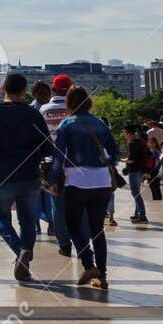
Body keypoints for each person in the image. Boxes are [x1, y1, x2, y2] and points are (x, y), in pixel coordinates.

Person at [0, 73, 50, 282]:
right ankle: (25, 251)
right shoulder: (34, 115)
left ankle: (20, 251)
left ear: (3, 90)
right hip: (29, 175)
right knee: (28, 220)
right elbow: (46, 146)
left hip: (2, 175)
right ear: (24, 90)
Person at [50, 86, 118, 288]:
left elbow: (58, 156)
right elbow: (114, 153)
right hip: (102, 180)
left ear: (69, 103)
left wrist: (53, 179)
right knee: (97, 229)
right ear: (88, 102)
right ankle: (102, 276)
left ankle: (88, 263)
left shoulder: (67, 125)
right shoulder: (100, 124)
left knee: (72, 224)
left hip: (77, 180)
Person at [40, 76, 74, 257]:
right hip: (75, 162)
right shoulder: (74, 109)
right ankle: (81, 242)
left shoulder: (43, 110)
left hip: (52, 161)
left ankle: (64, 243)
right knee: (78, 205)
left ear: (53, 90)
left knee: (57, 205)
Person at [122, 125, 152, 223]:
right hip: (140, 170)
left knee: (135, 193)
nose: (124, 135)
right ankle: (137, 214)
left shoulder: (131, 143)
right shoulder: (140, 141)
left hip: (134, 171)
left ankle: (142, 215)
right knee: (137, 192)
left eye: (124, 133)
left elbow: (131, 160)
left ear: (127, 133)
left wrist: (120, 159)